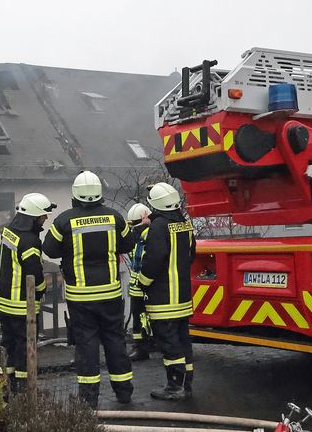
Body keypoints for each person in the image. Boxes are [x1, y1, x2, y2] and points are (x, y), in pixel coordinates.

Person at [42, 171, 135, 408]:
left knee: (87, 344)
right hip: (112, 293)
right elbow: (128, 243)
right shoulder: (115, 217)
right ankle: (124, 392)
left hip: (80, 297)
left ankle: (88, 399)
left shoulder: (64, 221)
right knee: (115, 340)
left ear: (75, 194)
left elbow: (50, 250)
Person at [137, 182, 196, 401]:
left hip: (164, 298)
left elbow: (154, 260)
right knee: (182, 341)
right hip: (182, 296)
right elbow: (191, 254)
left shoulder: (159, 227)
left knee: (169, 343)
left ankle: (174, 387)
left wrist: (143, 282)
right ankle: (186, 384)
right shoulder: (184, 223)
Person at [0, 192, 56, 394]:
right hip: (22, 304)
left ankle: (7, 384)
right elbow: (34, 273)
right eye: (43, 215)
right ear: (33, 217)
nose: (46, 218)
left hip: (4, 301)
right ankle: (23, 389)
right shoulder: (30, 240)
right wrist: (42, 290)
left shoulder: (8, 231)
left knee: (9, 345)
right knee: (24, 346)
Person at [125, 203, 152, 361]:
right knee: (139, 317)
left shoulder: (148, 234)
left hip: (145, 284)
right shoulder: (137, 235)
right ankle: (141, 346)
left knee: (143, 317)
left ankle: (142, 347)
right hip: (138, 285)